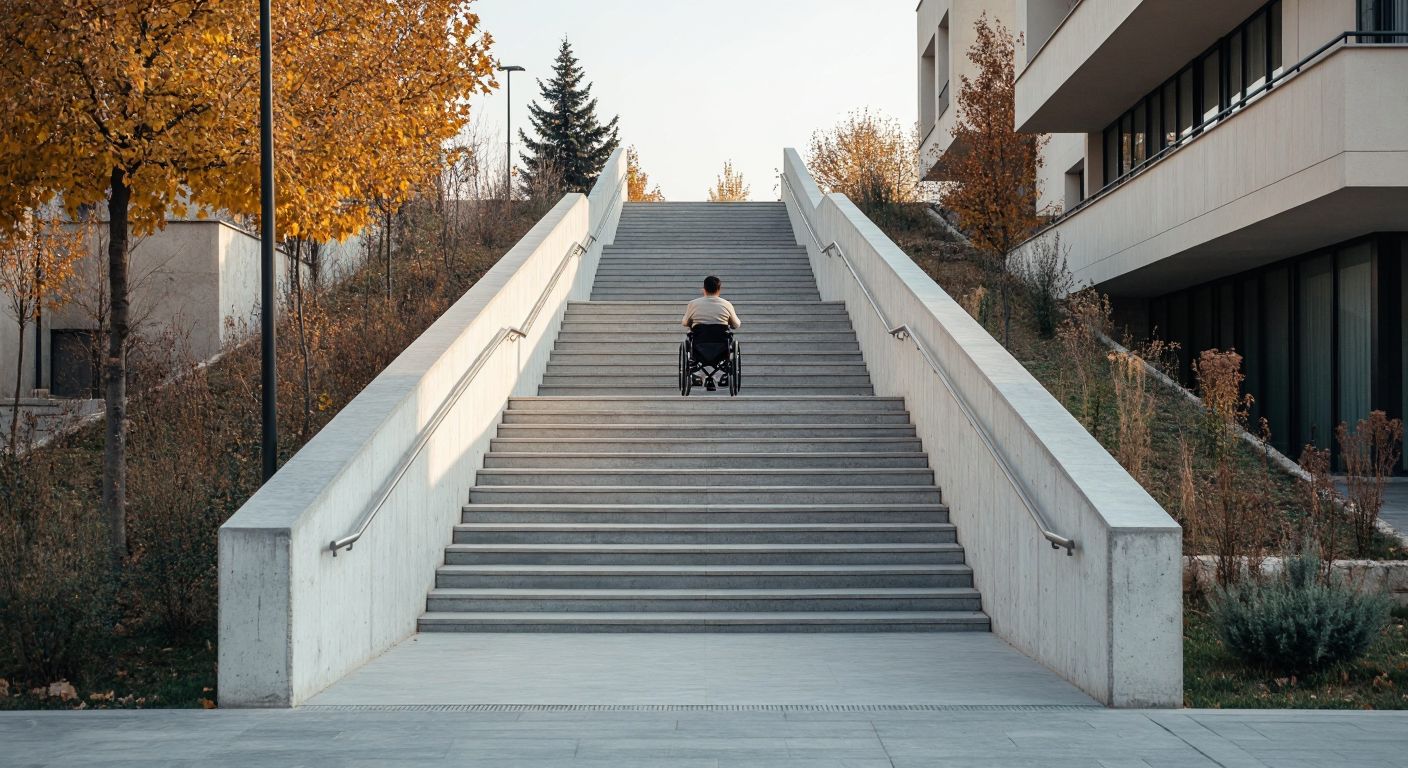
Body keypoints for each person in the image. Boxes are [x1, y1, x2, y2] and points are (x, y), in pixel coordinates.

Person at [681, 275, 741, 391]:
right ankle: (718, 376)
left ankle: (699, 375)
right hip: (722, 348)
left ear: (703, 289)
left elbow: (684, 322)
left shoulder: (693, 304)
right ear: (719, 289)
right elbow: (736, 324)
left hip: (699, 347)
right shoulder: (726, 304)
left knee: (691, 339)